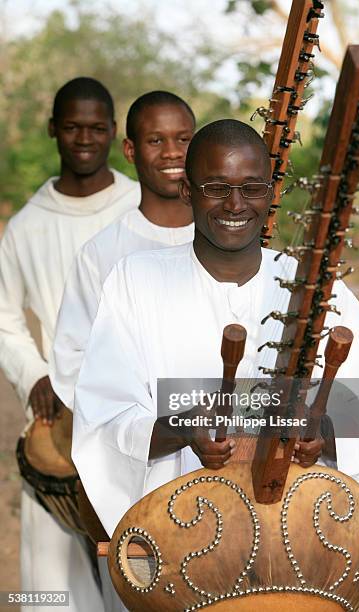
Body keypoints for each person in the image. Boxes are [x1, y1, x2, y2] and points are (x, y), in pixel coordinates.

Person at [72, 119, 359, 540]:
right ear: (188, 191)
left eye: (251, 188)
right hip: (177, 538)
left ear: (271, 193)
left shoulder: (322, 290)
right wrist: (181, 429)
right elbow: (104, 417)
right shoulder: (134, 281)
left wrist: (324, 434)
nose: (235, 204)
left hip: (294, 536)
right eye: (216, 187)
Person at [0, 77, 140, 611]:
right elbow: (5, 319)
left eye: (97, 127)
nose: (85, 138)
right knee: (52, 587)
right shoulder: (26, 227)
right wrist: (34, 373)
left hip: (130, 413)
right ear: (53, 130)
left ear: (113, 133)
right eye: (73, 127)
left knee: (138, 571)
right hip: (57, 415)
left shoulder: (139, 208)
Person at [50, 91, 195, 410]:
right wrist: (145, 424)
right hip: (142, 447)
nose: (172, 153)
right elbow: (71, 362)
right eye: (156, 141)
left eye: (183, 139)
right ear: (130, 150)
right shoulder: (100, 254)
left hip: (230, 442)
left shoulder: (228, 239)